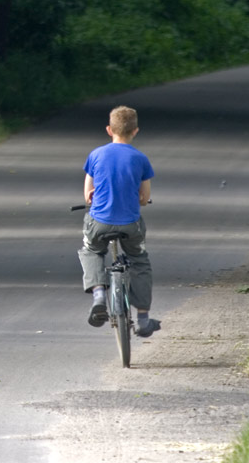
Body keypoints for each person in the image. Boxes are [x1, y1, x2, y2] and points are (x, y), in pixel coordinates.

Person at [78, 105, 161, 338]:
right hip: (130, 225)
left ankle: (99, 295)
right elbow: (144, 199)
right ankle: (143, 318)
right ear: (135, 131)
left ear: (108, 129)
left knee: (92, 251)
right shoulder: (141, 159)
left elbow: (88, 196)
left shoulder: (96, 155)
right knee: (139, 260)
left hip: (99, 223)